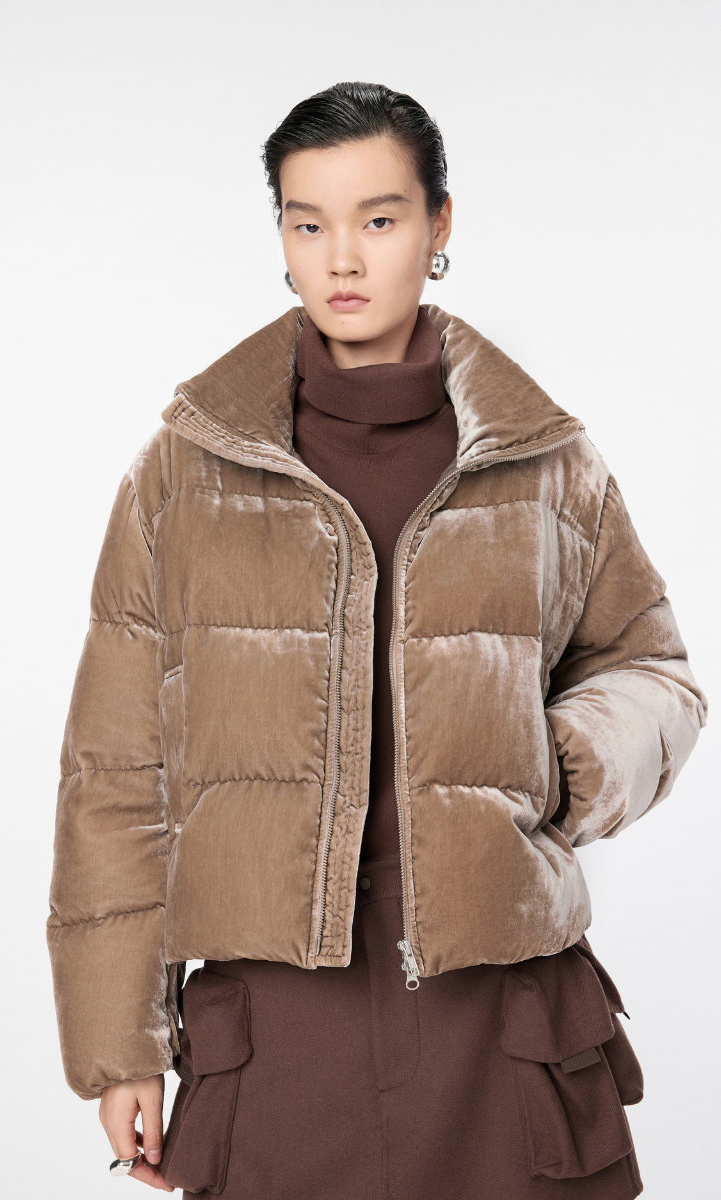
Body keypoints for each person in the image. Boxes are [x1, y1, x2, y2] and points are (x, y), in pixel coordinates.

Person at [48, 82, 706, 1199]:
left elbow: (654, 675)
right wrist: (120, 1045)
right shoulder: (186, 470)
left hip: (504, 1016)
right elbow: (116, 771)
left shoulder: (545, 459)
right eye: (307, 223)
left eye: (379, 218)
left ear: (439, 225)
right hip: (276, 1028)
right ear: (281, 237)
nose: (342, 258)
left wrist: (557, 764)